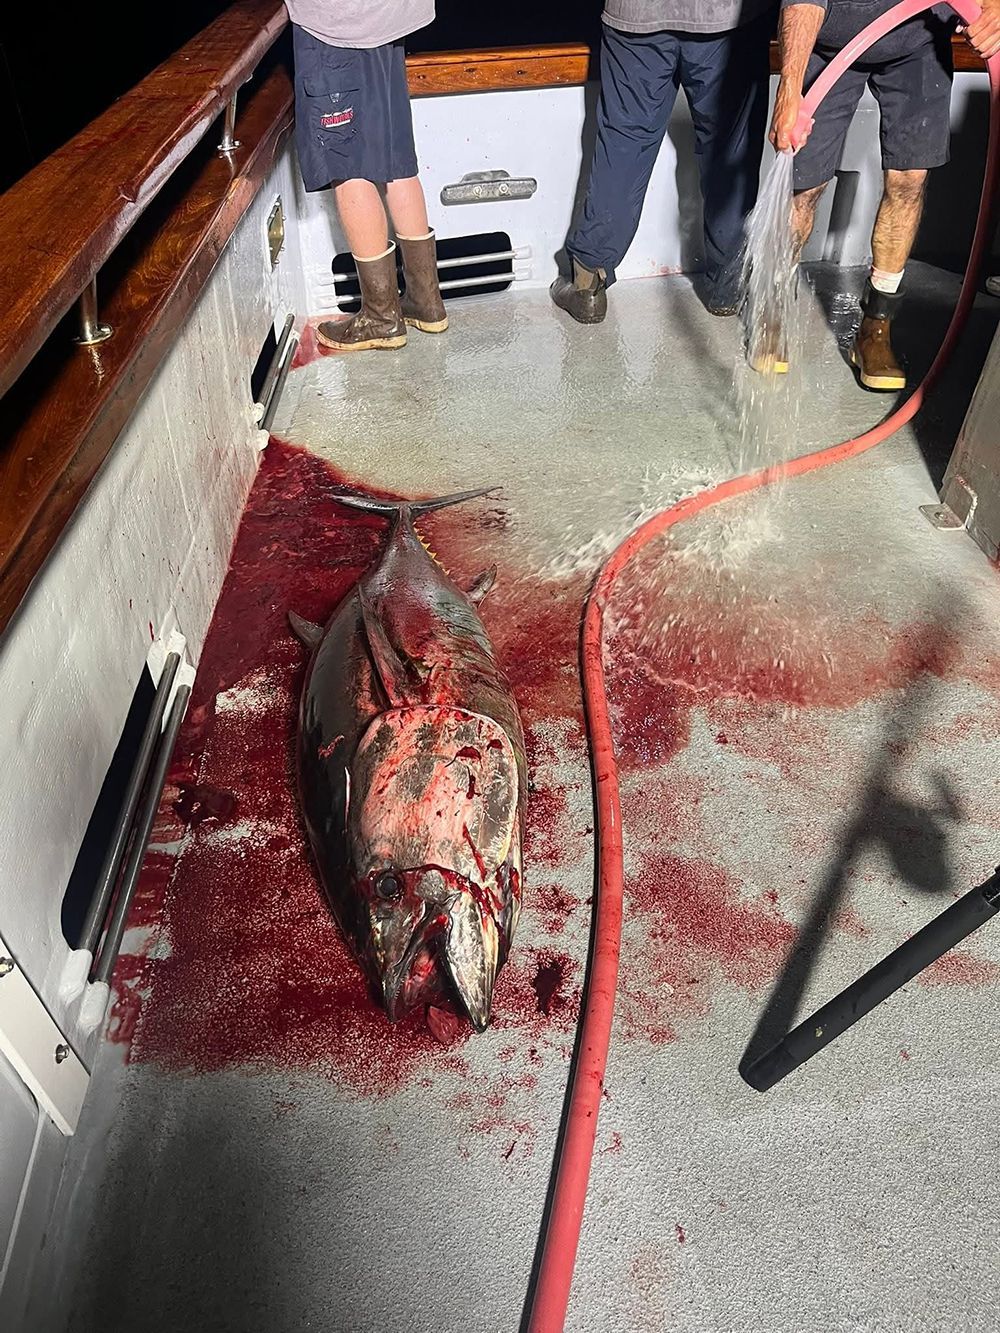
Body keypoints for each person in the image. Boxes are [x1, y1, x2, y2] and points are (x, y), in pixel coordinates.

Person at [770, 0, 1000, 390]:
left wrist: (993, 6)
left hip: (919, 43)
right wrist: (789, 90)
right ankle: (771, 310)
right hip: (832, 44)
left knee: (909, 182)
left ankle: (876, 326)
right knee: (805, 188)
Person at [550, 1, 777, 325]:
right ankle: (728, 287)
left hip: (637, 17)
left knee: (624, 142)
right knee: (729, 144)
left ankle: (587, 282)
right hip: (728, 19)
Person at [286, 0, 447, 352]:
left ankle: (381, 317)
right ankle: (426, 302)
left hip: (339, 24)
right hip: (391, 18)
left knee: (347, 166)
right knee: (396, 160)